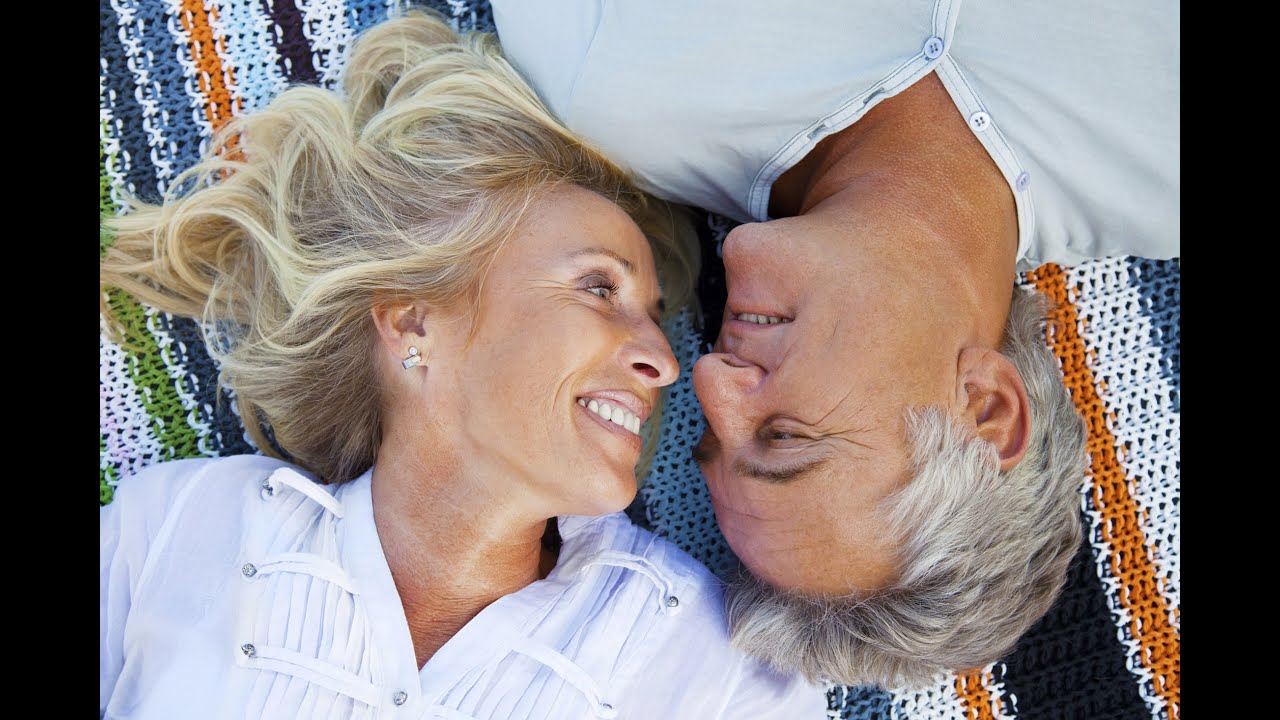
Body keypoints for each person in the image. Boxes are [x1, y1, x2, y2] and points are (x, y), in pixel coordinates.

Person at [98, 12, 824, 718]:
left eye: (656, 318)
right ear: (414, 322)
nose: (665, 363)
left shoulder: (719, 677)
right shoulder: (178, 530)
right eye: (599, 288)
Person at [490, 0, 1179, 687]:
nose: (709, 379)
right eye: (786, 436)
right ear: (986, 408)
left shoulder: (605, 76)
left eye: (711, 434)